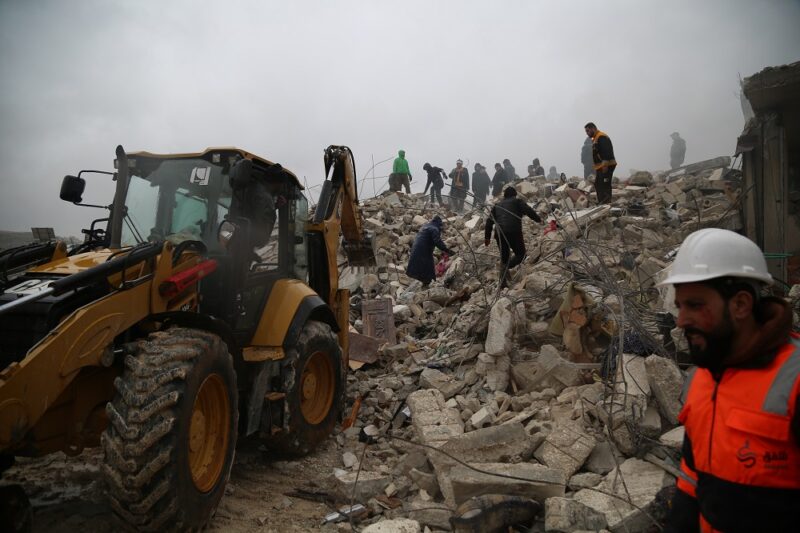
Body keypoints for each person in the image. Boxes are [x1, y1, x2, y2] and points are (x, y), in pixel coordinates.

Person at [658, 228, 800, 533]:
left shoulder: (794, 379)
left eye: (695, 305)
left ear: (741, 305)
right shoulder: (701, 377)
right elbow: (693, 473)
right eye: (680, 306)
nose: (681, 320)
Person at [484, 187, 542, 288]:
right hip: (513, 231)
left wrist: (487, 238)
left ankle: (503, 283)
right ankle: (506, 268)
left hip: (500, 234)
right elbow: (528, 210)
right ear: (514, 195)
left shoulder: (497, 206)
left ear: (505, 196)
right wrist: (538, 220)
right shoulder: (517, 201)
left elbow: (489, 222)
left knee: (505, 258)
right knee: (521, 255)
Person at [406, 215, 455, 287]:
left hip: (417, 249)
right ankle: (426, 285)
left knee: (425, 267)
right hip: (423, 251)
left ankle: (425, 283)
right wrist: (447, 250)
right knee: (427, 267)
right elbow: (437, 241)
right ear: (439, 224)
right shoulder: (434, 229)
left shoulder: (426, 226)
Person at [584, 122, 616, 204]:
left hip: (606, 165)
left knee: (604, 184)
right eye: (586, 131)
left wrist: (605, 165)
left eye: (588, 131)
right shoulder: (595, 138)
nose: (587, 133)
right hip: (600, 166)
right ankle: (602, 201)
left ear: (593, 128)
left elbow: (606, 150)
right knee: (598, 184)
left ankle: (606, 202)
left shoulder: (601, 137)